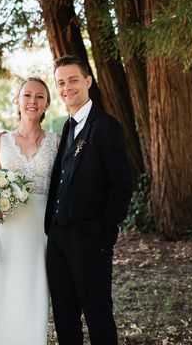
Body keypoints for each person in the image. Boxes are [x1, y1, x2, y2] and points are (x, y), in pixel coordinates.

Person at [45, 55, 133, 345]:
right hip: (58, 239)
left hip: (90, 239)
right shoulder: (67, 126)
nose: (66, 87)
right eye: (60, 83)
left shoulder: (106, 127)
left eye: (72, 80)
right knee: (65, 318)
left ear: (87, 81)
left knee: (98, 319)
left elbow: (122, 185)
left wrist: (104, 232)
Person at [0, 77, 59, 345]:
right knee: (1, 292)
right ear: (17, 101)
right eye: (27, 95)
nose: (33, 101)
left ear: (47, 105)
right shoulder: (0, 142)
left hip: (39, 234)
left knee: (33, 292)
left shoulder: (57, 142)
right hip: (7, 231)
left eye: (40, 96)